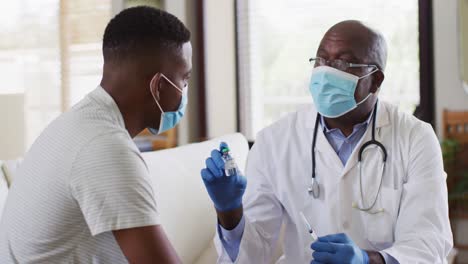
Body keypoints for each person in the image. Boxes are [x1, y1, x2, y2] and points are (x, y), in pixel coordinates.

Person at [201, 20, 453, 263]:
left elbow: (428, 243)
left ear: (375, 81)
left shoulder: (415, 138)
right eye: (321, 60)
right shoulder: (274, 141)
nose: (326, 71)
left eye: (342, 62)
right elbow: (253, 257)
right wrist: (229, 211)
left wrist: (368, 260)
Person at [0, 6, 191, 263]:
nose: (185, 90)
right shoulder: (107, 148)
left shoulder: (74, 124)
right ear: (158, 86)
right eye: (185, 79)